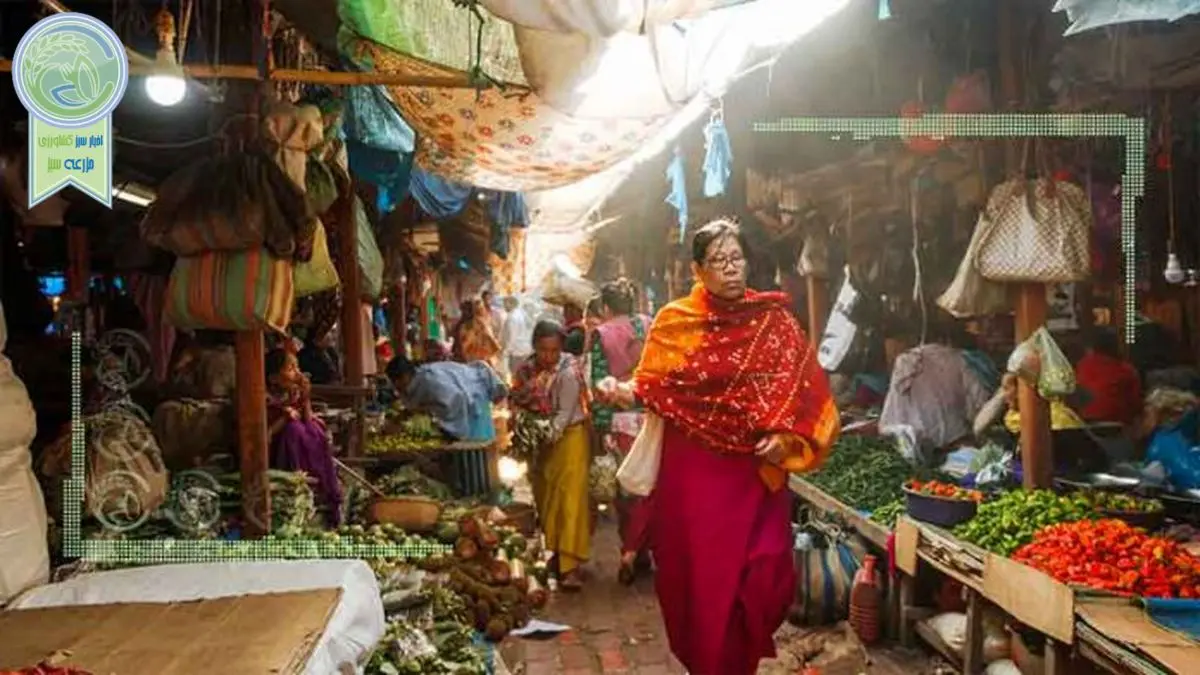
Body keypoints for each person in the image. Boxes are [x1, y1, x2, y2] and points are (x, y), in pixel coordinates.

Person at [600, 219, 839, 674]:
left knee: (765, 571)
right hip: (693, 470)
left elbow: (803, 393)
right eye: (718, 261)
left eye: (737, 259)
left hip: (754, 472)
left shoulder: (773, 321)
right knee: (702, 579)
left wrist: (786, 438)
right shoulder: (676, 322)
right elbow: (654, 386)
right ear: (697, 269)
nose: (731, 269)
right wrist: (621, 389)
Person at [512, 320, 592, 591]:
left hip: (569, 439)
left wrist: (542, 434)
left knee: (569, 502)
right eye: (543, 350)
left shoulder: (568, 373)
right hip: (542, 445)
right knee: (546, 500)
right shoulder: (525, 370)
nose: (549, 356)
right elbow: (517, 400)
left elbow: (564, 415)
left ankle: (570, 566)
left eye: (554, 350)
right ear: (535, 347)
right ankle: (556, 555)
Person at [589, 278, 654, 584]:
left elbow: (600, 385)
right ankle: (639, 551)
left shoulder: (601, 334)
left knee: (626, 490)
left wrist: (602, 427)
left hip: (620, 420)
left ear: (605, 307)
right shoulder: (648, 324)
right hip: (651, 415)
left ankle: (629, 549)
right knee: (648, 486)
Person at [265, 346, 343, 527]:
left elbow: (306, 417)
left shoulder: (293, 392)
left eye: (297, 368)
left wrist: (306, 395)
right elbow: (267, 435)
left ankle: (321, 485)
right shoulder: (266, 398)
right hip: (276, 450)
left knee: (315, 428)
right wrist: (285, 417)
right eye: (291, 369)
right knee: (295, 429)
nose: (298, 373)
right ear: (273, 378)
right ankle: (298, 481)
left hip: (297, 437)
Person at [386, 356, 508, 442]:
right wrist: (398, 419)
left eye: (397, 381)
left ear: (405, 376)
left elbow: (456, 399)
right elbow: (417, 406)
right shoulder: (418, 379)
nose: (396, 385)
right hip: (467, 403)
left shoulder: (430, 381)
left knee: (475, 450)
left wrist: (449, 430)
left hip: (472, 407)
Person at [1075, 327, 1142, 425]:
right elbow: (1135, 403)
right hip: (1119, 423)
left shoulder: (1082, 365)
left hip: (1085, 423)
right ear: (1115, 346)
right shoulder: (1127, 370)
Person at [452, 298, 502, 365]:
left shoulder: (462, 325)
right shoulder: (481, 325)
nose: (484, 311)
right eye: (482, 309)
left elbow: (457, 348)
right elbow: (495, 347)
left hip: (466, 362)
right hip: (480, 362)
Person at [500, 296, 533, 377]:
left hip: (516, 352)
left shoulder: (512, 317)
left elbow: (512, 337)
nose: (504, 306)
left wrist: (506, 352)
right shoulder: (520, 314)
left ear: (511, 303)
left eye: (505, 303)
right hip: (524, 350)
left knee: (516, 376)